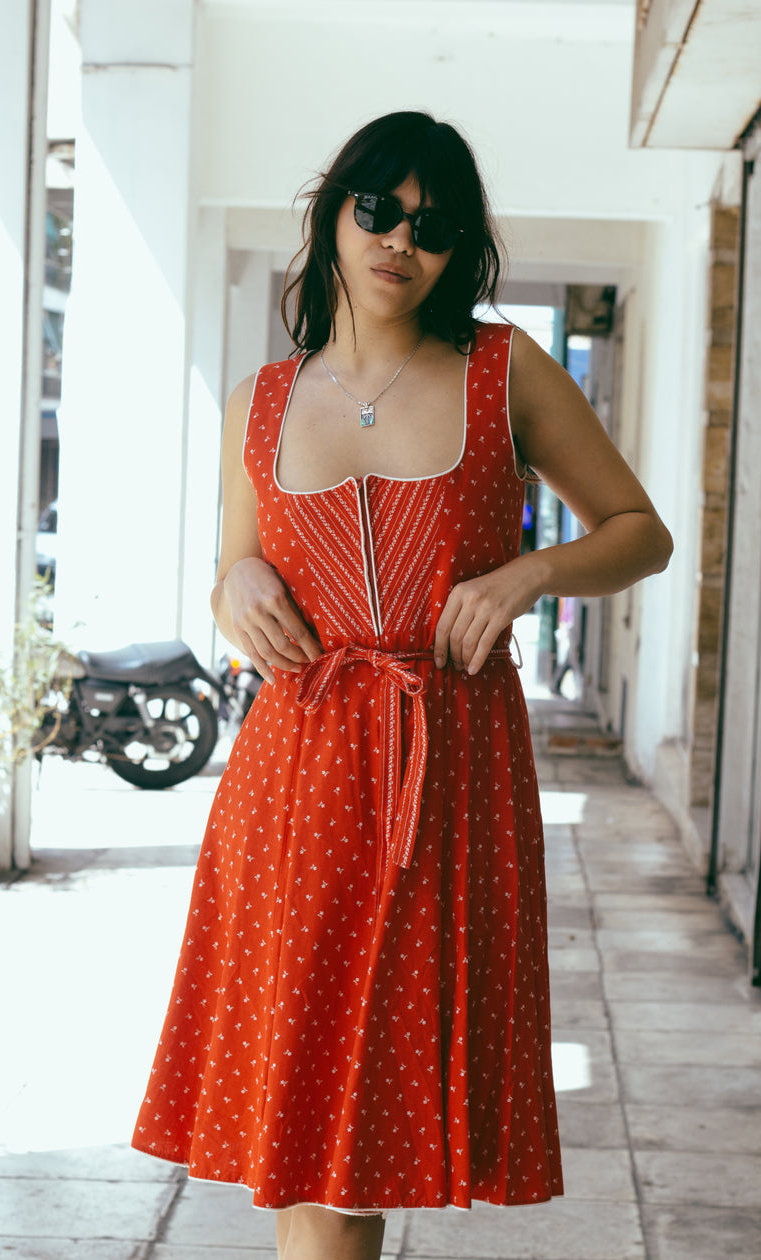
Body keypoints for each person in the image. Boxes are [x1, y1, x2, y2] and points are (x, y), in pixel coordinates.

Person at [132, 111, 672, 1260]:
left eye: (434, 227)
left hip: (448, 775)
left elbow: (641, 531)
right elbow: (235, 574)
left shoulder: (503, 373)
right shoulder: (259, 402)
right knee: (310, 1113)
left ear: (459, 248)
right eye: (378, 210)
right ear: (334, 212)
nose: (399, 242)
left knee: (359, 1113)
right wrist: (233, 582)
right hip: (296, 783)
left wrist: (529, 573)